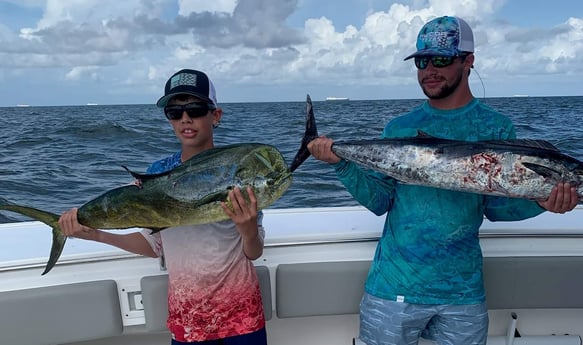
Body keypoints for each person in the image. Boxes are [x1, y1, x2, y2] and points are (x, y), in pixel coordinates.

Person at [307, 16, 579, 345]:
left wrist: (542, 203)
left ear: (469, 61)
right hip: (394, 286)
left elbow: (497, 208)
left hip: (462, 291)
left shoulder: (496, 127)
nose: (429, 70)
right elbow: (380, 202)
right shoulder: (400, 127)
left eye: (441, 59)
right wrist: (341, 164)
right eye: (422, 61)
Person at [58, 69, 268, 345]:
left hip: (242, 316)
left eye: (195, 108)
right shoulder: (156, 174)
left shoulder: (237, 169)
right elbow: (155, 245)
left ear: (215, 115)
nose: (185, 118)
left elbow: (253, 252)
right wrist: (97, 234)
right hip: (188, 319)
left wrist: (248, 228)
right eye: (174, 111)